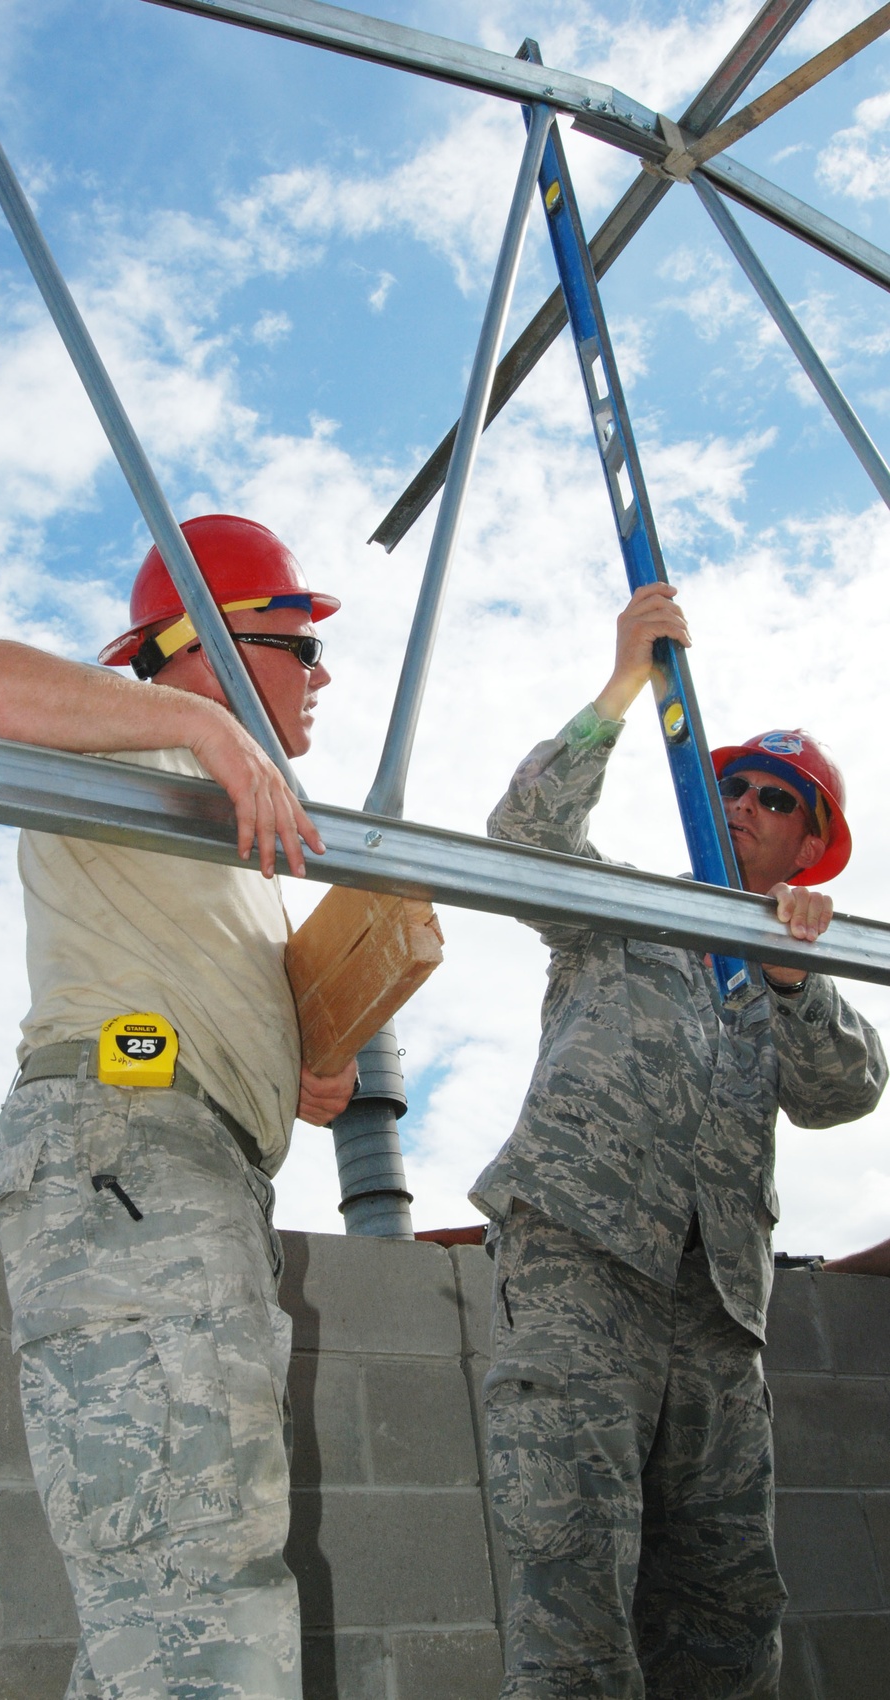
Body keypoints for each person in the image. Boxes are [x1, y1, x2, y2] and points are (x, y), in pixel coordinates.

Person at [0, 513, 359, 1700]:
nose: (321, 678)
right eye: (302, 646)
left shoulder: (238, 824)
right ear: (211, 641)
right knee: (198, 1597)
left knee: (178, 1599)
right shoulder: (142, 739)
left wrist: (293, 1066)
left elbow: (176, 1017)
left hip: (188, 1163)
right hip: (133, 1147)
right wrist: (203, 724)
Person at [470, 581, 887, 1700]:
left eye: (777, 797)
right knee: (572, 1580)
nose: (746, 801)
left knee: (723, 1606)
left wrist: (793, 977)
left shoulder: (794, 964)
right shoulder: (623, 911)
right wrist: (623, 684)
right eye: (734, 783)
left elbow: (846, 1091)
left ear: (809, 843)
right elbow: (524, 837)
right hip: (582, 1260)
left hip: (717, 1306)